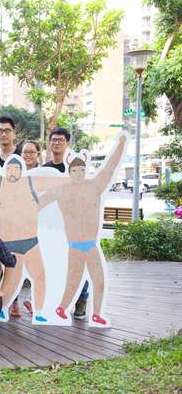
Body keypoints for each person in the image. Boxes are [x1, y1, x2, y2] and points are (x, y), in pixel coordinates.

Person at [0, 128, 64, 323]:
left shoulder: (30, 183)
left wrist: (78, 177)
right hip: (10, 244)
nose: (13, 171)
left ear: (21, 171)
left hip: (31, 242)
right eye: (9, 169)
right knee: (11, 281)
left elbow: (58, 181)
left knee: (40, 276)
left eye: (16, 168)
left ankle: (40, 311)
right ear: (5, 170)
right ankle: (3, 308)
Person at [39, 135, 127, 326]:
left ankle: (96, 313)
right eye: (74, 170)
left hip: (91, 245)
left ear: (85, 170)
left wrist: (120, 144)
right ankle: (61, 308)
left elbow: (110, 167)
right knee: (72, 281)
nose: (78, 173)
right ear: (69, 171)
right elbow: (38, 203)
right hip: (75, 246)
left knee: (99, 280)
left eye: (81, 170)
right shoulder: (61, 190)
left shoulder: (94, 186)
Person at [43, 127, 88, 319]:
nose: (56, 143)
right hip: (52, 226)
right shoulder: (44, 169)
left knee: (78, 261)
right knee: (54, 263)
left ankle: (82, 299)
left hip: (74, 225)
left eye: (60, 140)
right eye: (53, 140)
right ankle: (53, 301)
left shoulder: (75, 168)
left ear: (67, 143)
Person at [10, 140, 41, 317]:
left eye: (32, 152)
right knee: (15, 266)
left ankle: (34, 301)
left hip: (39, 227)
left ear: (38, 154)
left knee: (38, 268)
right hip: (17, 228)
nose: (28, 155)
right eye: (25, 152)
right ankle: (13, 303)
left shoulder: (44, 173)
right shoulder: (15, 173)